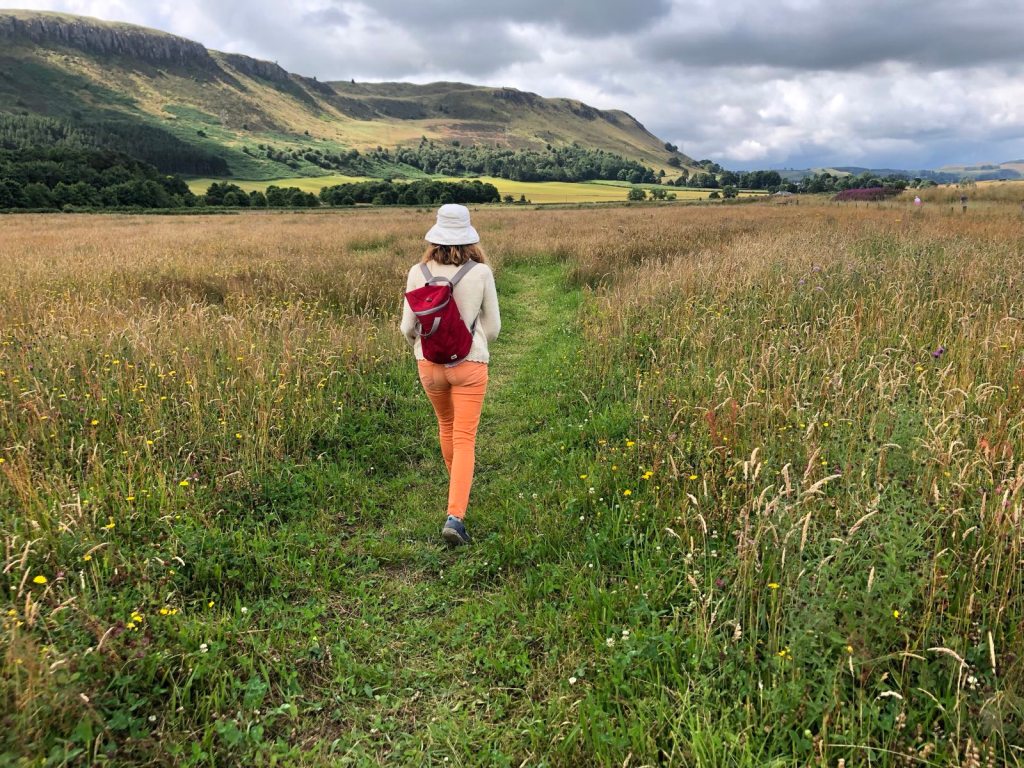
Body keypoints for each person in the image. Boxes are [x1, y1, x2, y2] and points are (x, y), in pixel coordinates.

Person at [401, 204, 500, 545]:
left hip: (429, 365)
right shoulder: (481, 273)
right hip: (470, 364)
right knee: (465, 437)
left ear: (436, 236)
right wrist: (471, 343)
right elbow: (494, 328)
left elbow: (407, 328)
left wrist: (424, 347)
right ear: (469, 237)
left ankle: (458, 485)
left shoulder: (418, 272)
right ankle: (455, 515)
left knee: (446, 425)